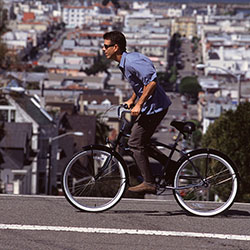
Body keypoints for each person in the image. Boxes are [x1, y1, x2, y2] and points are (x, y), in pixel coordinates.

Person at [103, 31, 172, 194]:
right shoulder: (125, 62)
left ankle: (149, 182)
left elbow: (152, 82)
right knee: (142, 142)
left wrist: (139, 105)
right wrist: (132, 100)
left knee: (134, 142)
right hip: (150, 106)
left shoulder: (131, 62)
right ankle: (171, 165)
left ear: (116, 47)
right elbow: (140, 85)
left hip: (155, 107)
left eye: (106, 46)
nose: (103, 49)